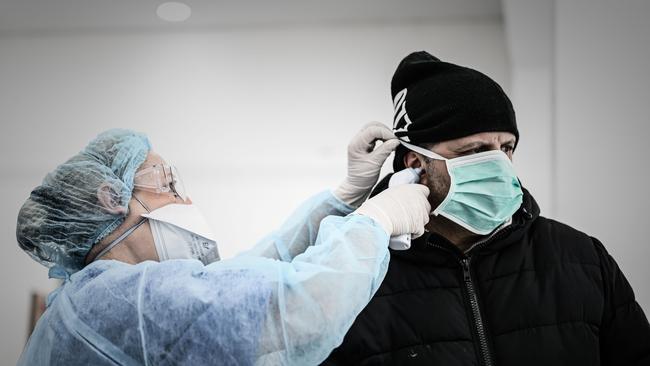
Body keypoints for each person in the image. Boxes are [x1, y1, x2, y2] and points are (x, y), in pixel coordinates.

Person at [322, 51, 650, 365]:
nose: (498, 164)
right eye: (475, 151)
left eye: (506, 147)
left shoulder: (581, 259)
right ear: (417, 163)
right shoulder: (360, 279)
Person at [16, 123, 431, 366]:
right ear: (112, 199)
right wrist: (375, 222)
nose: (186, 202)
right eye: (167, 185)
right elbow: (300, 305)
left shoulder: (90, 302)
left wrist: (344, 198)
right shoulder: (124, 302)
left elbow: (251, 273)